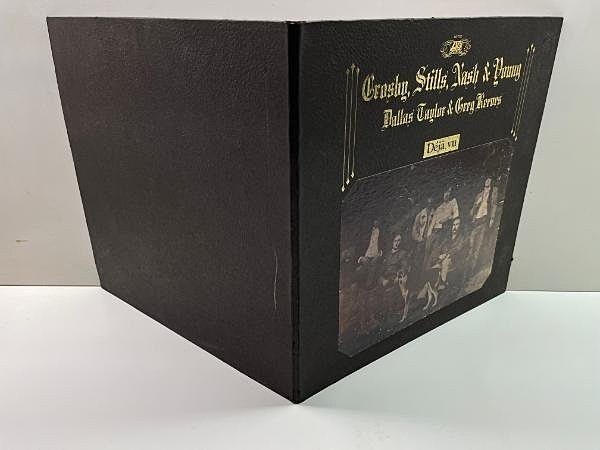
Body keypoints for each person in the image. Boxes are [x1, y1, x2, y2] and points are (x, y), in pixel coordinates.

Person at [468, 177, 497, 273]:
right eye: (486, 179)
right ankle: (467, 270)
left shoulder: (493, 191)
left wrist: (492, 218)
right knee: (471, 246)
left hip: (484, 220)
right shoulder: (479, 195)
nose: (487, 181)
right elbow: (471, 213)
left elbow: (494, 204)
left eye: (489, 179)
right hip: (476, 221)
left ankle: (472, 270)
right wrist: (476, 204)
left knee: (478, 246)